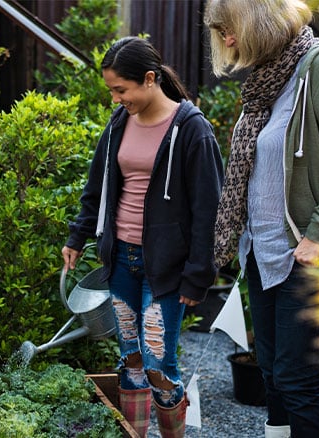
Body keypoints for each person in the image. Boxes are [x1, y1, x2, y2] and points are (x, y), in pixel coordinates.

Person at [62, 37, 223, 438]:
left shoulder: (192, 130)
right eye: (112, 90)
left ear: (149, 79)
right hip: (121, 262)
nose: (116, 99)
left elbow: (210, 211)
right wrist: (78, 236)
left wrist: (199, 273)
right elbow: (96, 186)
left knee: (157, 366)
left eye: (121, 89)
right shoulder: (119, 124)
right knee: (131, 360)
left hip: (165, 268)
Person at [204, 0, 319, 436]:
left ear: (260, 20)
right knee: (272, 377)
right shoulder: (264, 83)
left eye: (231, 28)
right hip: (261, 254)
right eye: (221, 31)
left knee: (298, 381)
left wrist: (317, 235)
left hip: (307, 255)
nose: (227, 40)